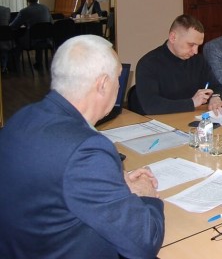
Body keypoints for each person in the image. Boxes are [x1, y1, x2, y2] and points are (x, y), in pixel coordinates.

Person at [0, 35, 165, 258]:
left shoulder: (22, 117)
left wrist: (114, 184)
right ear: (103, 84)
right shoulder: (86, 149)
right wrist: (147, 195)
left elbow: (59, 181)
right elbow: (145, 243)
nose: (119, 85)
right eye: (118, 79)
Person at [134, 14, 222, 115]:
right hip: (162, 121)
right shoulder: (148, 64)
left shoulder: (198, 61)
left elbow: (218, 87)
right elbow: (151, 105)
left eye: (198, 46)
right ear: (173, 37)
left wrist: (215, 97)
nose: (195, 51)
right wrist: (192, 103)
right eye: (191, 44)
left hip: (192, 118)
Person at [10, 0, 52, 69]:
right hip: (47, 40)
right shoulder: (45, 8)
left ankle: (15, 64)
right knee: (38, 34)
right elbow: (51, 23)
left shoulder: (24, 11)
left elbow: (13, 26)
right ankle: (38, 62)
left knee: (17, 40)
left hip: (31, 42)